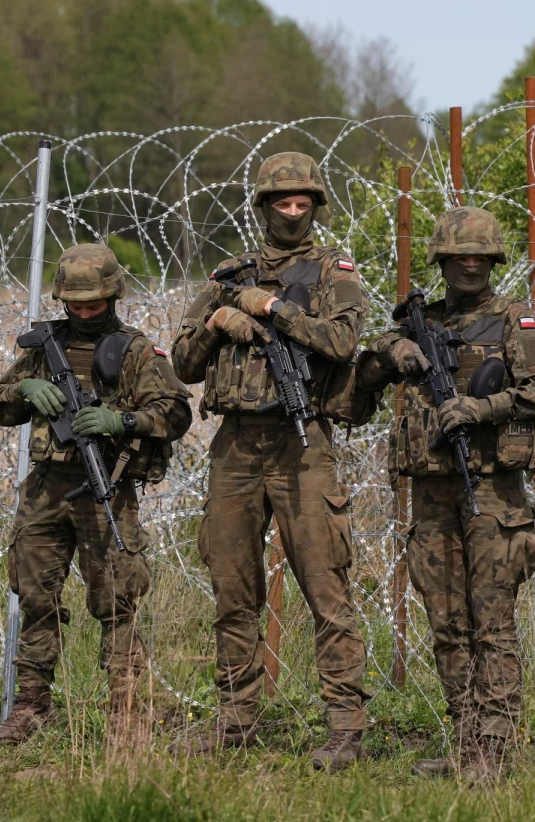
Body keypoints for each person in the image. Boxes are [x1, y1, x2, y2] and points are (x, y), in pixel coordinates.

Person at [171, 151, 371, 771]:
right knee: (233, 589)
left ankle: (345, 728)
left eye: (301, 202)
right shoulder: (229, 274)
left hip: (301, 444)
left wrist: (274, 309)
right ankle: (236, 720)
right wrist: (220, 320)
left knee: (325, 587)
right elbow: (182, 364)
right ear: (262, 207)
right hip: (235, 446)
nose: (292, 211)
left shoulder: (333, 272)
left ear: (315, 205)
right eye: (281, 202)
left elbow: (342, 342)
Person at [356, 206, 535, 782]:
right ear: (442, 262)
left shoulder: (512, 322)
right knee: (446, 620)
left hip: (493, 493)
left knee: (491, 622)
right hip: (432, 493)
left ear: (492, 261)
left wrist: (479, 407)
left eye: (478, 257)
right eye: (458, 257)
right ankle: (466, 741)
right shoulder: (418, 325)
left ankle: (495, 750)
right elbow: (359, 388)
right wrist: (388, 352)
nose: (468, 266)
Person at [0, 243, 192, 746]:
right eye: (74, 305)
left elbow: (177, 414)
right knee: (36, 596)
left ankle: (125, 712)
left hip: (107, 489)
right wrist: (25, 390)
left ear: (113, 297)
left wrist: (120, 419)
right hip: (46, 489)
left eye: (93, 305)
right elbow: (0, 404)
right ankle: (31, 707)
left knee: (117, 601)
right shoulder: (43, 347)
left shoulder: (136, 350)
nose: (82, 313)